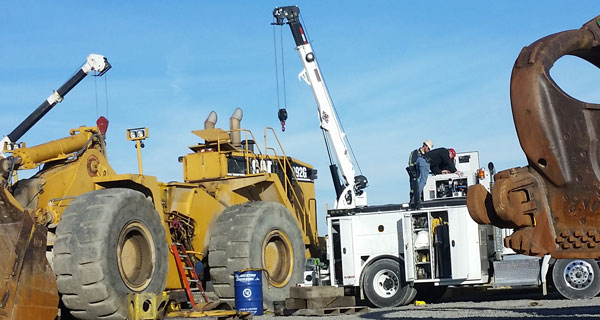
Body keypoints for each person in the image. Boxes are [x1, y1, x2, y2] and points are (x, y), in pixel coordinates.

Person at [407, 139, 433, 209]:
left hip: (422, 183)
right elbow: (411, 164)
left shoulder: (427, 156)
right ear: (425, 145)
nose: (429, 150)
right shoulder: (415, 153)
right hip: (415, 179)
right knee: (414, 194)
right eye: (428, 148)